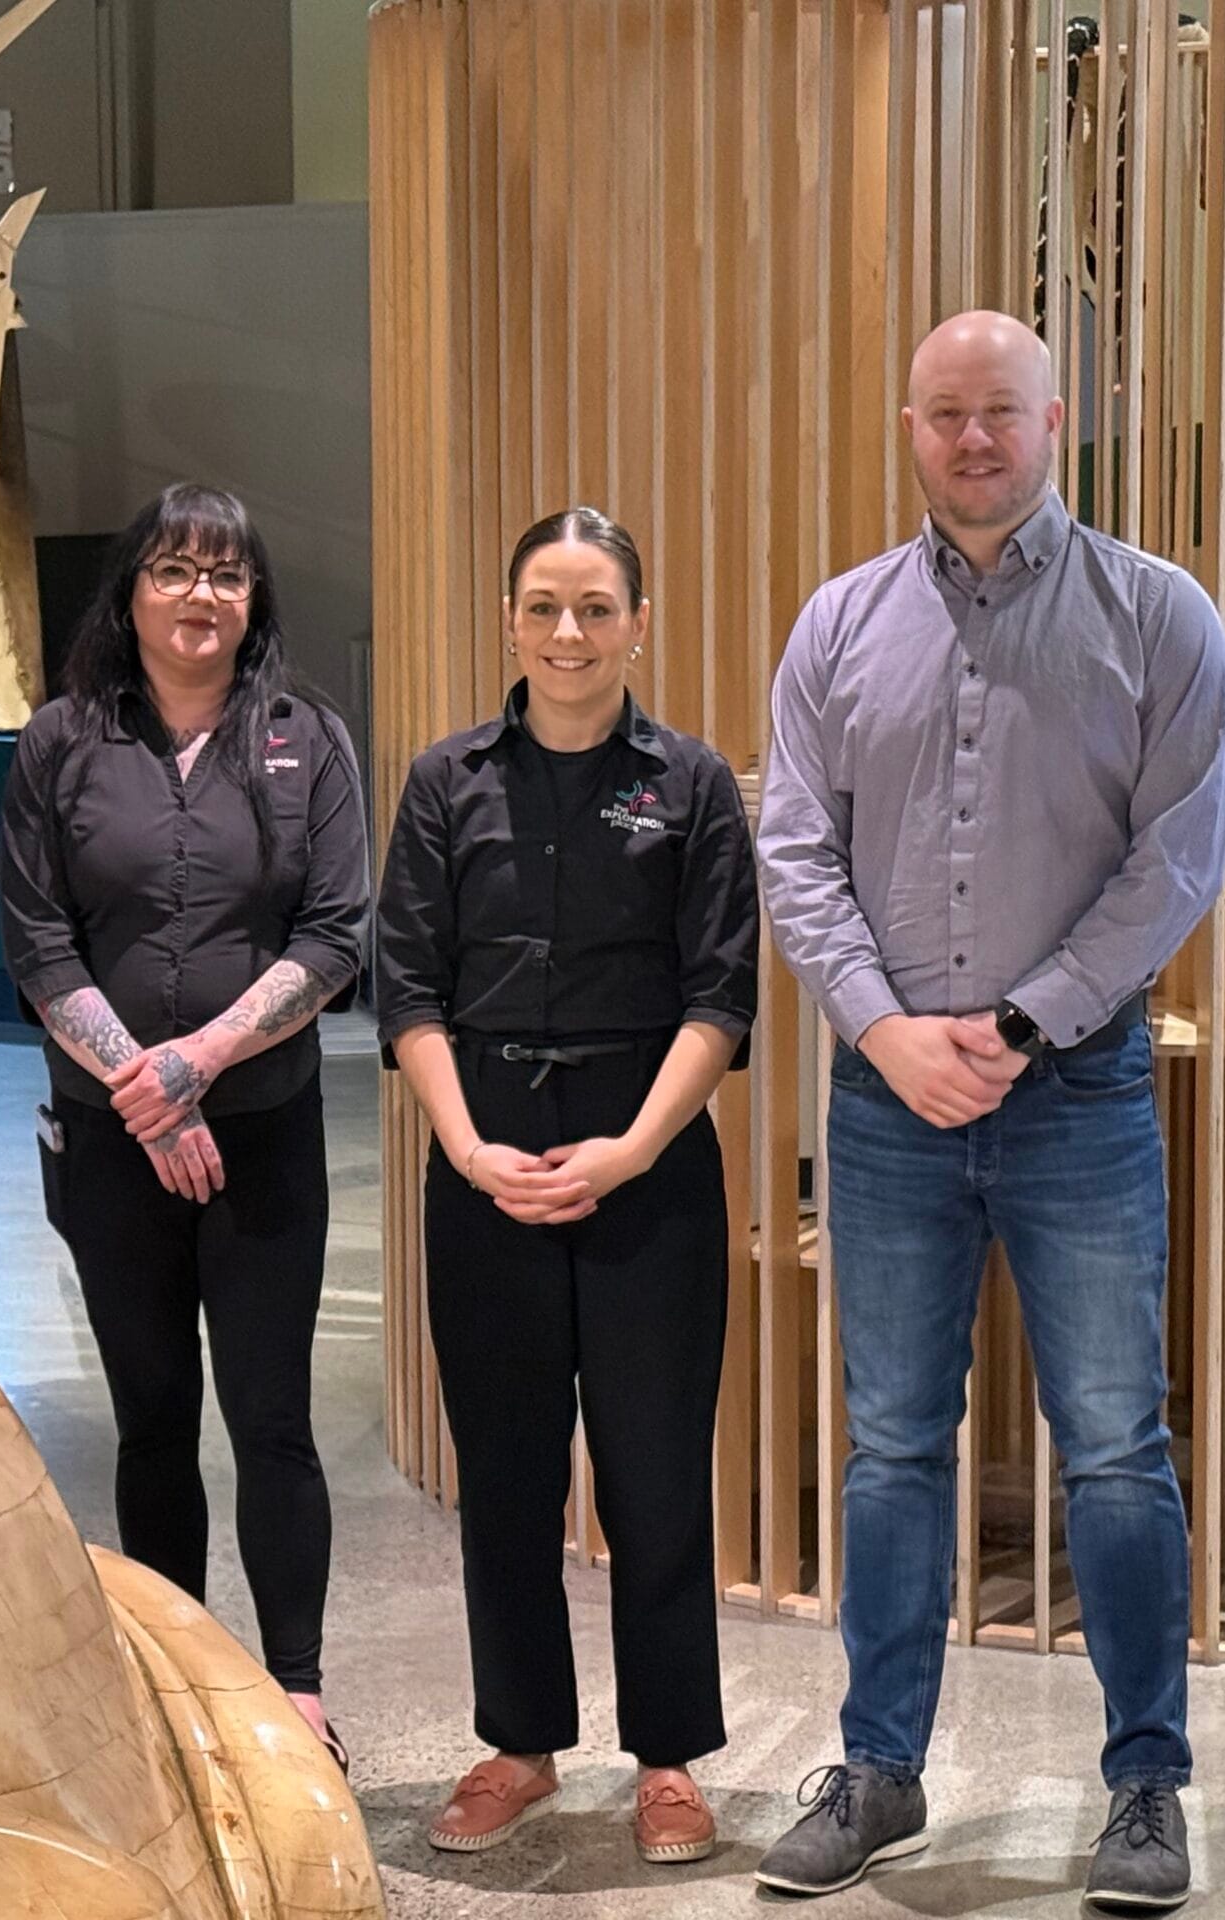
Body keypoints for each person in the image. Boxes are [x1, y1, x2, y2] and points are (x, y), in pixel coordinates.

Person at [751, 310, 1225, 1909]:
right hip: (888, 1098)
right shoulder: (837, 626)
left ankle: (1146, 1790)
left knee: (1115, 1446)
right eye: (945, 412)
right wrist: (889, 1032)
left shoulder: (1158, 616)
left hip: (1077, 1089)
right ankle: (880, 1769)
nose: (973, 439)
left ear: (1055, 421)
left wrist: (1027, 1021)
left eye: (1000, 412)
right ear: (911, 428)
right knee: (894, 1443)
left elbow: (1180, 856)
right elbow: (796, 852)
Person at [377, 506, 760, 1866]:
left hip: (646, 1157)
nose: (569, 632)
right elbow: (405, 987)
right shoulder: (445, 783)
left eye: (597, 607)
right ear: (510, 621)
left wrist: (632, 1148)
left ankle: (669, 1759)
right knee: (506, 1469)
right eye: (543, 605)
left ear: (638, 625)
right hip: (483, 1150)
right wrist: (465, 1145)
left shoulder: (692, 785)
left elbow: (721, 998)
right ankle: (520, 1744)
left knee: (655, 1469)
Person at [0, 481, 369, 1771]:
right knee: (152, 1417)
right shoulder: (60, 743)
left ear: (254, 597)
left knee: (271, 1419)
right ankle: (174, 1678)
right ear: (131, 592)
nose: (199, 595)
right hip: (112, 1144)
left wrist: (198, 1064)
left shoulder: (309, 739)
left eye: (225, 572)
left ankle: (295, 1688)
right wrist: (146, 1099)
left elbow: (336, 935)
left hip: (262, 1131)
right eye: (172, 569)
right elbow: (37, 940)